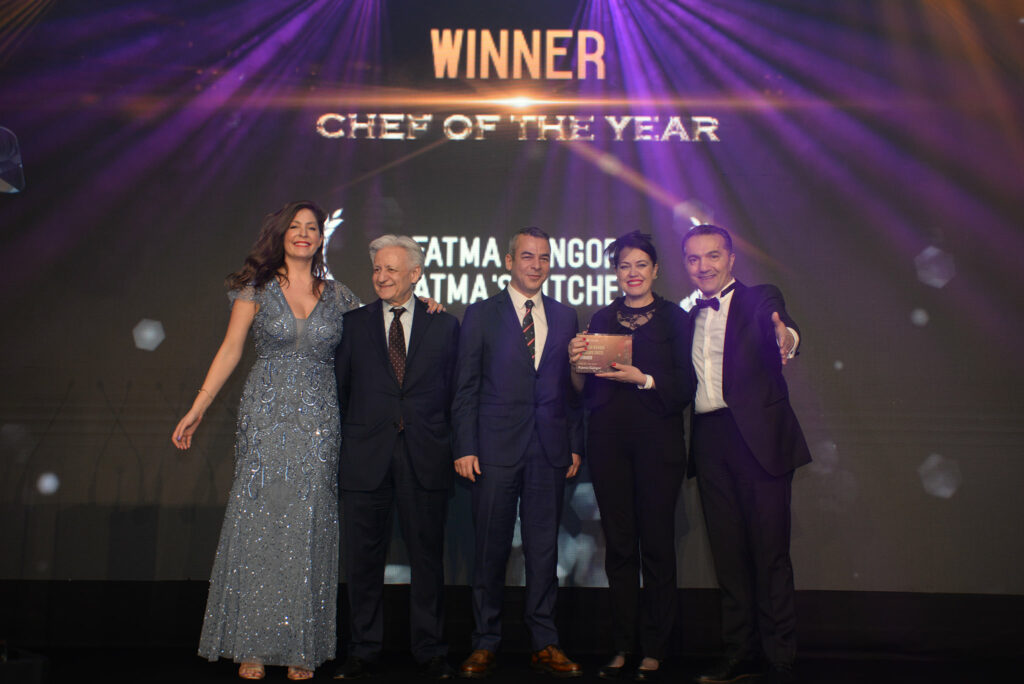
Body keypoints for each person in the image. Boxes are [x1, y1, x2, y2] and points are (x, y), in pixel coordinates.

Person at [172, 201, 361, 680]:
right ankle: (251, 645)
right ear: (281, 234)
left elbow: (377, 333)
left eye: (312, 227)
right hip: (266, 416)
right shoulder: (256, 288)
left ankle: (301, 648)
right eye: (295, 226)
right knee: (260, 522)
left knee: (309, 525)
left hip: (319, 422)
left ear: (322, 237)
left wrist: (424, 306)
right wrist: (198, 407)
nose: (304, 233)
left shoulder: (339, 295)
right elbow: (231, 349)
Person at [451, 227, 584, 679]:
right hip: (493, 450)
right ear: (509, 261)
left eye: (543, 257)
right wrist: (465, 445)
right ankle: (485, 642)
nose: (536, 265)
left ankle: (544, 641)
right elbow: (465, 386)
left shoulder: (565, 316)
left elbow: (570, 390)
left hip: (548, 450)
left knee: (543, 551)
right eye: (527, 256)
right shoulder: (481, 313)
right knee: (490, 549)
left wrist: (574, 444)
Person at [682, 225, 811, 684]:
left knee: (770, 553)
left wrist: (786, 337)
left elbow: (783, 326)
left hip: (758, 440)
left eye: (713, 256)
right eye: (694, 259)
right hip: (710, 441)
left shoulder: (759, 298)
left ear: (731, 259)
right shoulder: (687, 316)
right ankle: (739, 653)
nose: (704, 266)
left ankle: (780, 656)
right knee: (728, 556)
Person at [332, 235, 460, 680]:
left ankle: (430, 649)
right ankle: (363, 649)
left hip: (425, 456)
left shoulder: (445, 325)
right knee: (363, 562)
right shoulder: (352, 325)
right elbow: (341, 393)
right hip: (366, 459)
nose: (381, 277)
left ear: (415, 274)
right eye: (376, 269)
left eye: (391, 269)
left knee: (427, 560)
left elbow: (456, 395)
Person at [567, 231, 693, 681]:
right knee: (619, 547)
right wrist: (575, 362)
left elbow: (686, 386)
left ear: (655, 270)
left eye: (641, 264)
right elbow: (583, 390)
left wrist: (644, 379)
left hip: (659, 445)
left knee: (656, 546)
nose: (633, 273)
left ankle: (655, 648)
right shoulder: (602, 318)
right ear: (616, 272)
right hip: (609, 445)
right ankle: (623, 645)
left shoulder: (676, 318)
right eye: (624, 265)